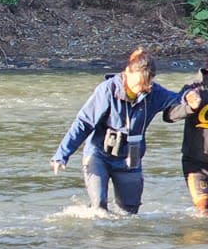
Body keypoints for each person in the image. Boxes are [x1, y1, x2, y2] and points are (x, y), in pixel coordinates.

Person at [52, 48, 179, 214]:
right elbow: (84, 123)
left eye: (145, 86)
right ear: (127, 72)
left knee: (129, 213)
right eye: (137, 84)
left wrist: (192, 96)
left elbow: (180, 99)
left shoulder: (155, 93)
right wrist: (62, 154)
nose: (140, 89)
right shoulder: (107, 90)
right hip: (99, 155)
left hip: (130, 158)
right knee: (99, 209)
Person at [164, 62, 208, 213]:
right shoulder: (193, 88)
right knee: (204, 211)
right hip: (197, 165)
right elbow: (169, 114)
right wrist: (189, 107)